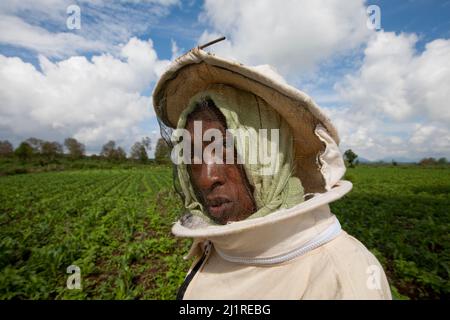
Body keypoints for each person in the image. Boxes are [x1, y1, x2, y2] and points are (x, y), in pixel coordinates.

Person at [152, 42, 392, 300]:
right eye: (194, 155)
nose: (207, 177)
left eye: (227, 148)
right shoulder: (218, 244)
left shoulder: (346, 278)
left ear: (273, 156)